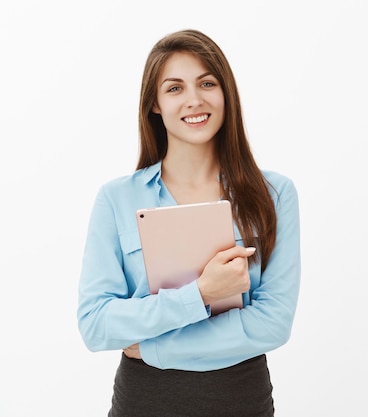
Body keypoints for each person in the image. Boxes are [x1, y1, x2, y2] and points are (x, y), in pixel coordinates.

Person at [77, 29, 301, 417]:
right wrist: (200, 294)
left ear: (226, 93)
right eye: (175, 88)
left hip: (241, 401)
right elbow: (96, 325)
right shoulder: (117, 198)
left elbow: (272, 324)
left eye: (207, 83)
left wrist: (152, 346)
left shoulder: (275, 194)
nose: (194, 100)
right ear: (155, 105)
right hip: (143, 402)